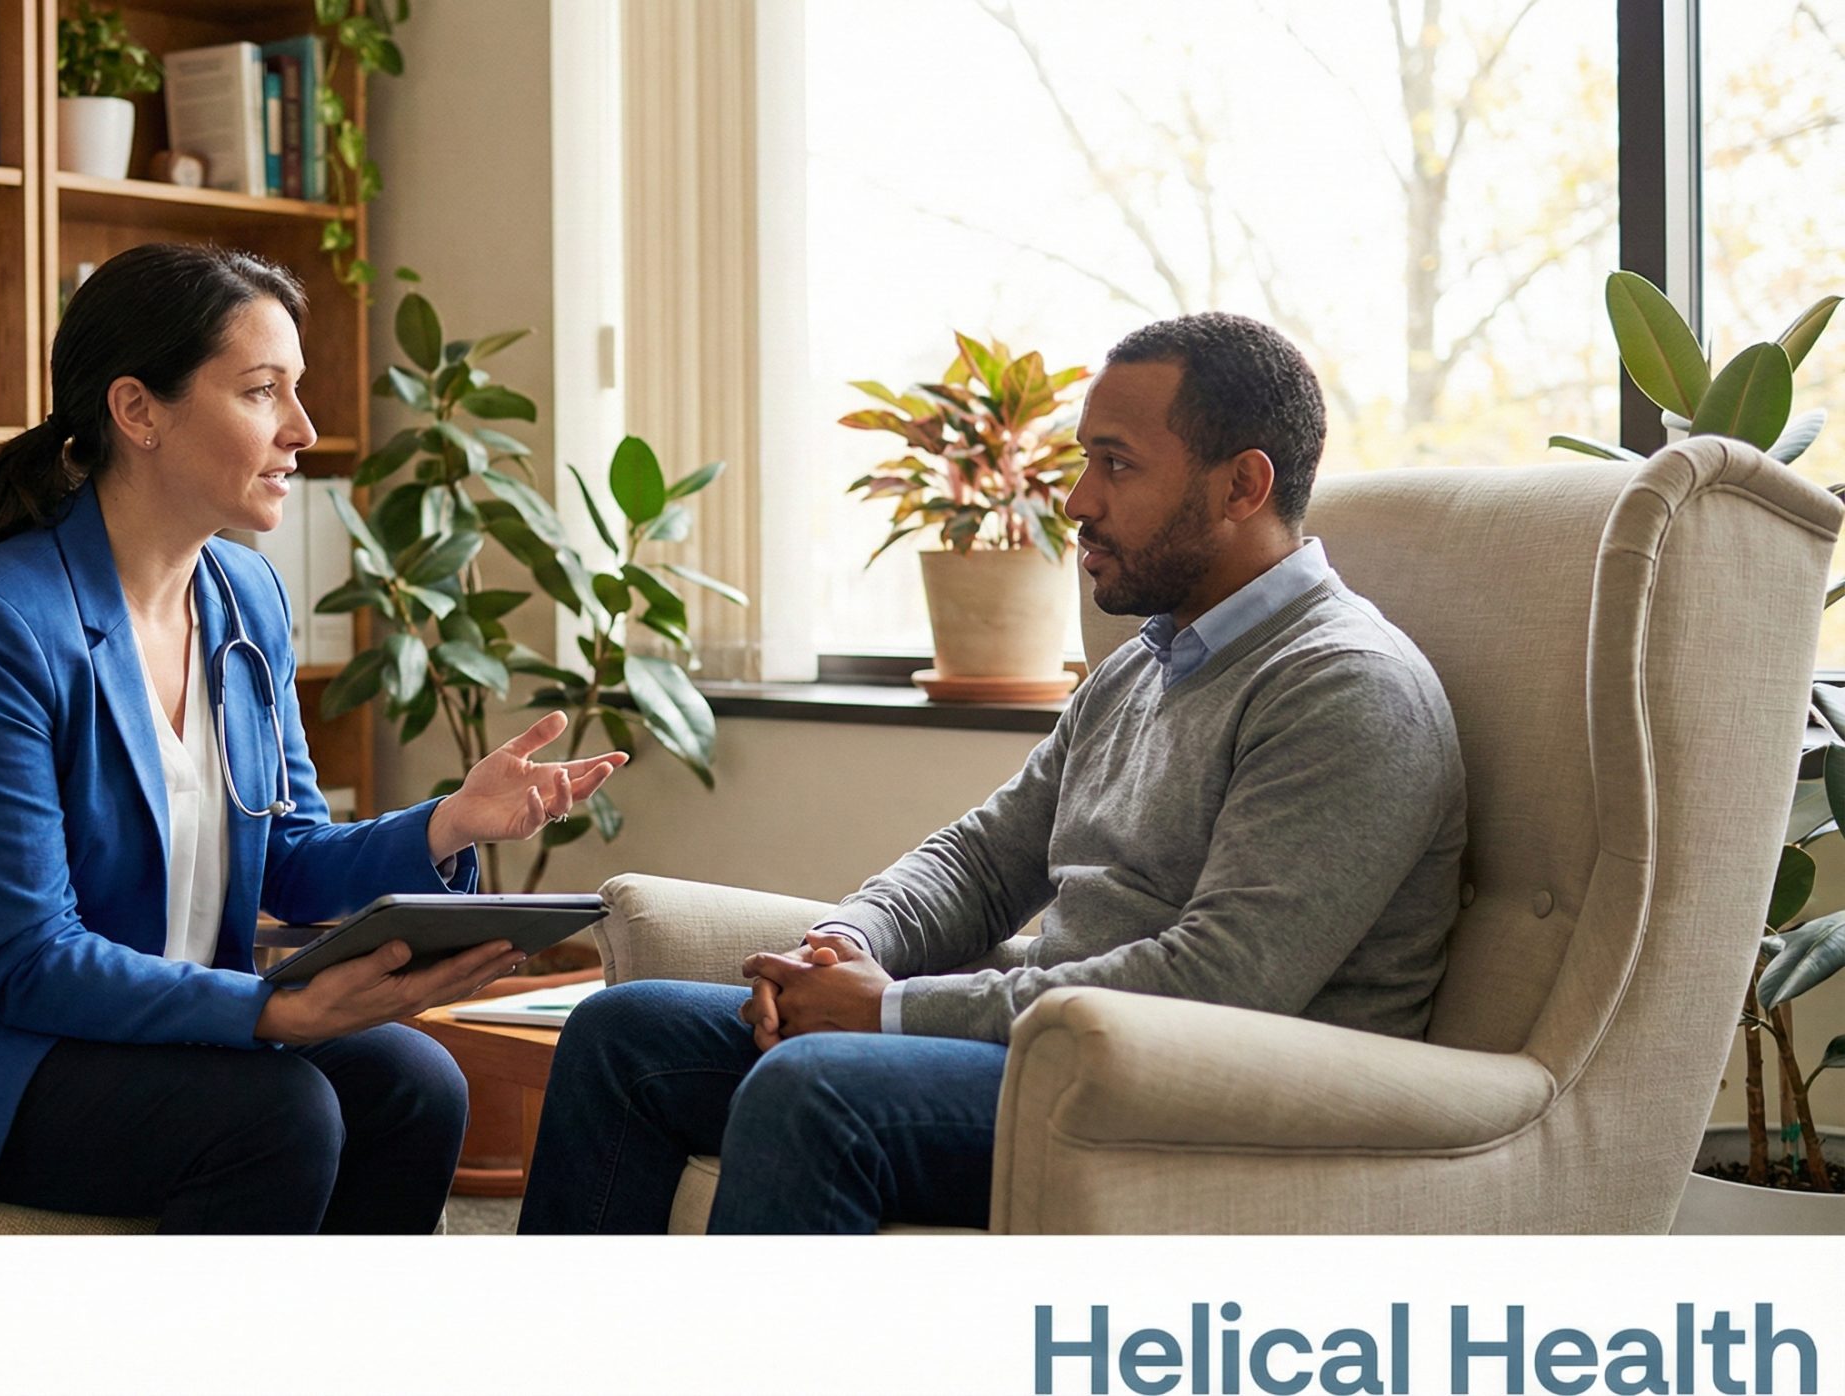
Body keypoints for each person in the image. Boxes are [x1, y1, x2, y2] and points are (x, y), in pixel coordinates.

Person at [517, 311, 1467, 1235]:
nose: (1078, 500)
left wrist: (888, 1011)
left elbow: (1216, 985)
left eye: (1116, 464)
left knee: (818, 1090)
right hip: (1064, 1061)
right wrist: (846, 942)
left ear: (1242, 486)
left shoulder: (1345, 689)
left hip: (1226, 1107)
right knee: (621, 1038)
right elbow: (982, 861)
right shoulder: (1144, 666)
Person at [0, 243, 625, 1234]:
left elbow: (288, 854)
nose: (302, 431)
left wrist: (448, 825)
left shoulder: (245, 596)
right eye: (264, 392)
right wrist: (270, 1010)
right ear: (138, 412)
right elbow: (28, 961)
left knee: (416, 1082)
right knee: (277, 1117)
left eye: (295, 394)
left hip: (124, 1032)